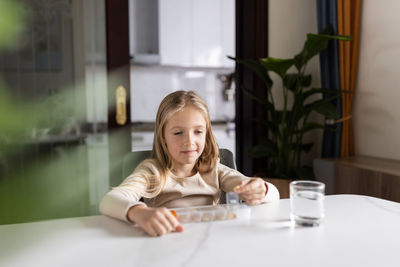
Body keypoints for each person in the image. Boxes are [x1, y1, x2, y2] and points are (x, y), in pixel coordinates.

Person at [99, 90, 280, 237]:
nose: (189, 141)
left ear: (206, 134)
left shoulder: (215, 170)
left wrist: (260, 189)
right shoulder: (152, 172)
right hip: (165, 242)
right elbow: (109, 201)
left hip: (209, 242)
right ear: (163, 136)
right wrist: (139, 212)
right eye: (178, 133)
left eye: (198, 132)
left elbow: (273, 193)